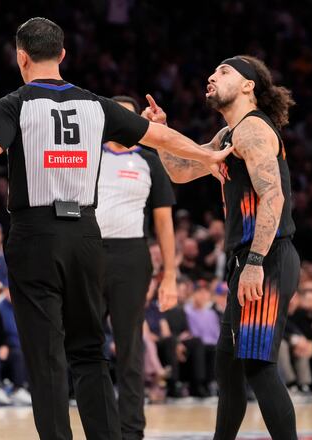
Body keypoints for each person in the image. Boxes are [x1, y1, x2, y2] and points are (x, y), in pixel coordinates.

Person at [0, 17, 227, 440]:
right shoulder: (96, 104)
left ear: (21, 57)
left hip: (35, 235)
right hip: (87, 237)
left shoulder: (14, 104)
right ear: (62, 55)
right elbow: (161, 138)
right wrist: (209, 157)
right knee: (90, 351)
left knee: (46, 356)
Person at [145, 55, 300, 439]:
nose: (212, 76)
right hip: (245, 260)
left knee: (257, 366)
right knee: (227, 367)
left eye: (224, 71)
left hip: (266, 257)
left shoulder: (253, 130)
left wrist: (256, 262)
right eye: (212, 72)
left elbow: (273, 197)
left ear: (249, 85)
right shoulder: (227, 137)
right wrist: (161, 133)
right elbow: (181, 172)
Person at [95, 95, 177, 440]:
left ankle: (132, 431)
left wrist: (169, 274)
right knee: (87, 345)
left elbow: (164, 223)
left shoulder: (149, 161)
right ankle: (99, 427)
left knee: (130, 346)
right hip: (88, 253)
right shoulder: (86, 157)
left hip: (132, 256)